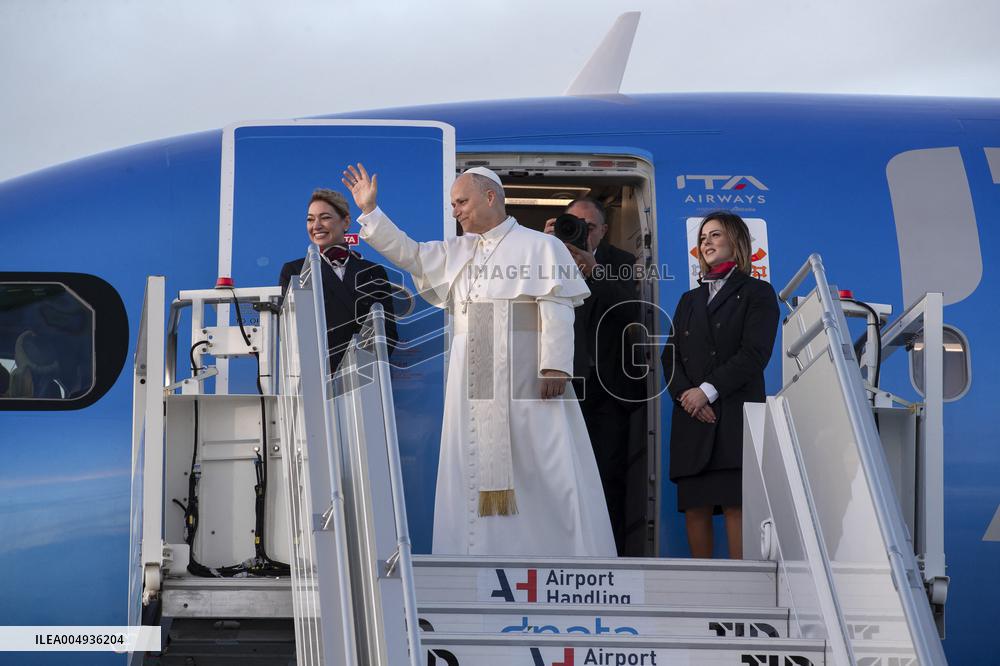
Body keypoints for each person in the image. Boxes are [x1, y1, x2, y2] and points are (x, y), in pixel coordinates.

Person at [341, 163, 616, 557]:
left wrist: (554, 364)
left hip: (525, 371)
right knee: (474, 464)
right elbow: (411, 254)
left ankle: (552, 554)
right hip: (475, 367)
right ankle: (477, 556)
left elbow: (557, 304)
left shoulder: (541, 245)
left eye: (462, 201)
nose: (456, 211)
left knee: (540, 465)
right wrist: (370, 211)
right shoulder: (459, 249)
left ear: (490, 196)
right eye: (453, 204)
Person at [661, 211, 779, 559]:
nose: (706, 243)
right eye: (702, 238)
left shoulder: (758, 292)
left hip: (731, 414)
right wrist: (687, 396)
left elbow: (754, 354)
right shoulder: (689, 300)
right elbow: (670, 358)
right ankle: (702, 585)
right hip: (692, 416)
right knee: (695, 506)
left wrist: (706, 391)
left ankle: (742, 586)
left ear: (736, 242)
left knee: (735, 504)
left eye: (715, 235)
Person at [545, 198, 644, 555]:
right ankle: (558, 552)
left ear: (603, 230)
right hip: (558, 384)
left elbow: (632, 310)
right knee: (556, 475)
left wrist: (595, 269)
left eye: (590, 227)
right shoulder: (543, 254)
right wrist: (545, 249)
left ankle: (610, 556)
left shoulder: (621, 262)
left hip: (607, 389)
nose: (582, 232)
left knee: (606, 477)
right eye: (573, 224)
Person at [278, 188, 397, 373]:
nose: (316, 225)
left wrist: (364, 369)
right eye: (310, 219)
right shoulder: (294, 271)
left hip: (363, 379)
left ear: (346, 222)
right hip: (315, 378)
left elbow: (387, 333)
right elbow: (289, 333)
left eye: (324, 217)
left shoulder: (373, 271)